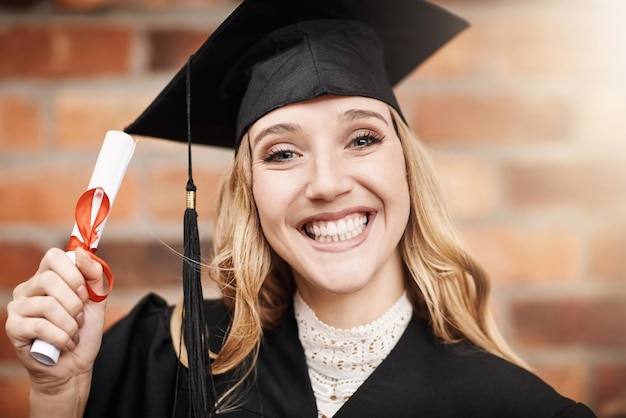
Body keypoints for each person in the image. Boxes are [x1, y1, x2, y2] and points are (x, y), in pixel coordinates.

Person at [5, 0, 597, 417]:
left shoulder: (514, 408)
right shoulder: (165, 362)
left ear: (407, 166)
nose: (326, 183)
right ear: (250, 190)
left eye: (362, 138)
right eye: (283, 153)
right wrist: (61, 394)